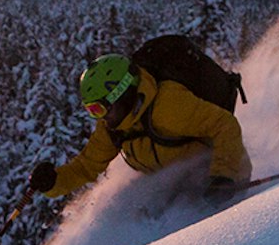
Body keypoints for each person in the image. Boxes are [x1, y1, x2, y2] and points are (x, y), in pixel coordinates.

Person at [28, 53, 253, 203]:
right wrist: (54, 182)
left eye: (100, 108)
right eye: (92, 111)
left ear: (122, 95)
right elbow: (86, 167)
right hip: (182, 191)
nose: (100, 117)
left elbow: (225, 125)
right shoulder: (114, 127)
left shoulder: (168, 106)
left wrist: (224, 177)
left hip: (225, 185)